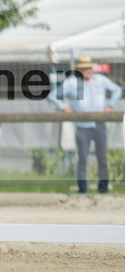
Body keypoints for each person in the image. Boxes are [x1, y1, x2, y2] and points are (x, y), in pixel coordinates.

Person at [50, 55, 122, 193]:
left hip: (99, 125)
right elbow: (53, 96)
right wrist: (64, 108)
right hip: (82, 126)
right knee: (82, 159)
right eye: (84, 68)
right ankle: (82, 189)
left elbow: (117, 90)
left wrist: (110, 105)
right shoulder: (72, 82)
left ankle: (103, 189)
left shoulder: (100, 80)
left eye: (89, 67)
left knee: (102, 159)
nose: (87, 70)